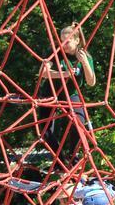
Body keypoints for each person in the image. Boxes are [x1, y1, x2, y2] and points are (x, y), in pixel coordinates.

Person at [38, 22, 95, 164]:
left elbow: (91, 82)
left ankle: (73, 158)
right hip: (50, 93)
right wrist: (63, 74)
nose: (64, 43)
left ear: (77, 40)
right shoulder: (55, 52)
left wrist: (85, 63)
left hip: (70, 94)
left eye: (67, 40)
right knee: (45, 131)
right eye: (62, 40)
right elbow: (43, 72)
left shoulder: (84, 56)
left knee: (78, 123)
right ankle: (60, 162)